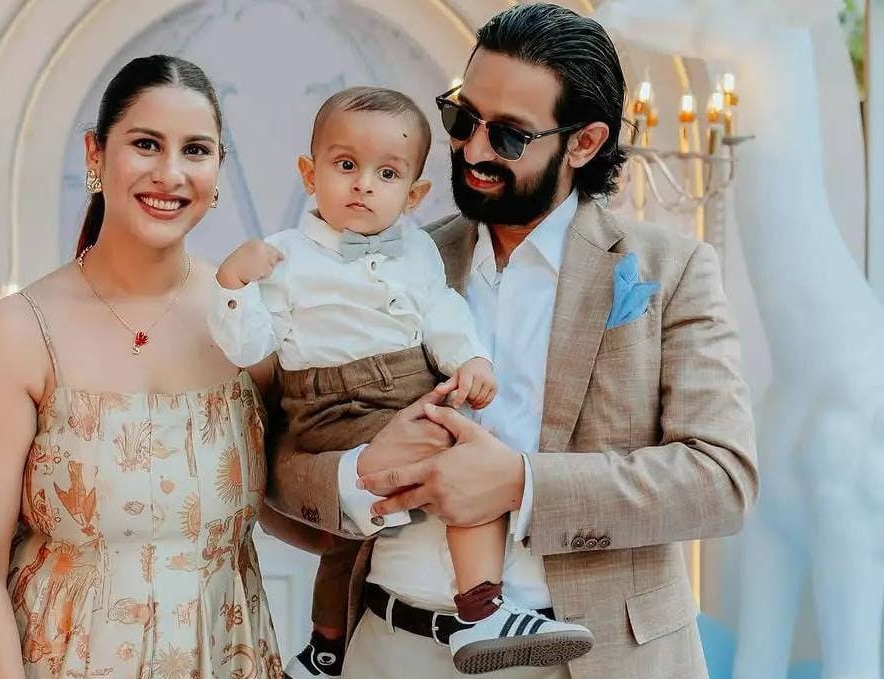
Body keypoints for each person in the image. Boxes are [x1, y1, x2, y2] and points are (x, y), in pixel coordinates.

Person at [267, 5, 759, 678]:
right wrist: (358, 472)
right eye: (462, 119)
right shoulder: (393, 262)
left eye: (507, 135)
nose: (472, 151)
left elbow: (721, 478)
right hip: (391, 645)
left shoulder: (670, 269)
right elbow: (280, 457)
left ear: (583, 143)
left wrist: (521, 485)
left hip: (591, 657)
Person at [209, 86, 593, 678]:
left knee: (429, 493)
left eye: (386, 173)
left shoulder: (418, 249)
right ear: (310, 173)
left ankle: (327, 647)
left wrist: (470, 359)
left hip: (406, 385)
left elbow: (440, 311)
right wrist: (234, 287)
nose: (363, 184)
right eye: (345, 165)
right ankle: (482, 608)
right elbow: (251, 348)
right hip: (328, 402)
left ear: (413, 194)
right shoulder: (284, 258)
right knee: (454, 465)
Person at [0, 55, 285, 678]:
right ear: (95, 154)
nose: (171, 173)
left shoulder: (246, 320)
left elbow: (300, 505)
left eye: (196, 150)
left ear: (218, 169)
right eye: (146, 144)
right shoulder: (19, 331)